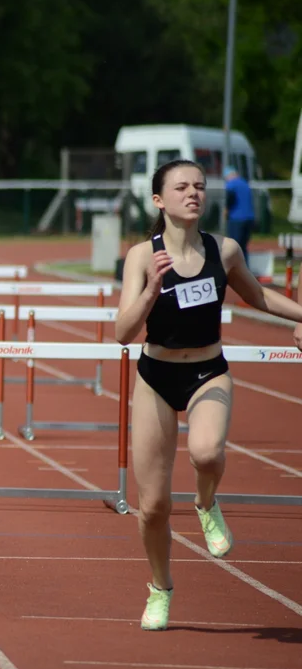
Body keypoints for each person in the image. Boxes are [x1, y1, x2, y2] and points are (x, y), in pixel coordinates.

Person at [114, 158, 302, 631]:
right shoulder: (142, 255)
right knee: (153, 506)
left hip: (208, 372)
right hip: (156, 375)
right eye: (181, 187)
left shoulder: (226, 250)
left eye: (199, 186)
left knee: (207, 452)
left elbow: (258, 298)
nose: (193, 193)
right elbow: (121, 332)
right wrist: (152, 289)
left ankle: (204, 503)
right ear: (159, 200)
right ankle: (160, 587)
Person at [223, 166, 255, 266]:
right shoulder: (245, 183)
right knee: (244, 246)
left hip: (236, 218)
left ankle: (234, 268)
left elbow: (230, 198)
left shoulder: (231, 184)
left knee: (234, 245)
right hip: (249, 218)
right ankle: (246, 268)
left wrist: (226, 210)